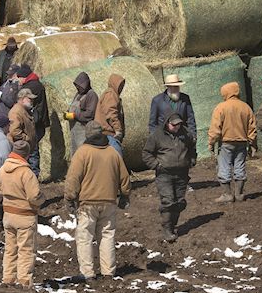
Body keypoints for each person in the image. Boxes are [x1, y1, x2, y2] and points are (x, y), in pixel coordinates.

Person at [65, 121, 131, 280]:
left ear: (87, 135)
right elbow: (124, 177)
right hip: (109, 201)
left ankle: (88, 274)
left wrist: (70, 198)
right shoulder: (112, 153)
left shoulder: (82, 153)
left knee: (85, 238)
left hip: (88, 204)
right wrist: (124, 195)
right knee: (107, 236)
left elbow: (73, 178)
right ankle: (108, 272)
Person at [143, 113, 196, 242]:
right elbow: (146, 153)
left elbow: (191, 147)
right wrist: (156, 165)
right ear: (167, 123)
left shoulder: (185, 133)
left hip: (182, 173)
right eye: (174, 125)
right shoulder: (157, 136)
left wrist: (192, 159)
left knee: (179, 202)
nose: (177, 127)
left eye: (179, 124)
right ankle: (167, 229)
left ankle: (172, 226)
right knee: (168, 201)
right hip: (164, 174)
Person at [0, 140, 44, 288]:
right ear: (27, 155)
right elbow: (34, 197)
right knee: (25, 250)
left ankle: (8, 279)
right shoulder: (26, 172)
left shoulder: (3, 169)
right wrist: (43, 199)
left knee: (10, 249)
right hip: (25, 216)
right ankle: (24, 281)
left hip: (8, 214)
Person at [208, 82, 257, 203]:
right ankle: (239, 194)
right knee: (240, 166)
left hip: (226, 143)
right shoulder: (246, 107)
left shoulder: (221, 107)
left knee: (224, 167)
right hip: (242, 143)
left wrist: (211, 142)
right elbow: (252, 128)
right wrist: (253, 144)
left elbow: (215, 128)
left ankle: (227, 194)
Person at [16, 64, 49, 177]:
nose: (18, 80)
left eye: (19, 77)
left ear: (23, 77)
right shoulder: (36, 83)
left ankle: (33, 175)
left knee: (32, 149)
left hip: (35, 122)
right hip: (39, 120)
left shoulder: (31, 87)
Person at [149, 74, 197, 142]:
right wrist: (155, 140)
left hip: (182, 139)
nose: (176, 88)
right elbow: (152, 123)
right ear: (168, 87)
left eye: (177, 86)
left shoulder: (185, 98)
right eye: (173, 86)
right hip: (164, 139)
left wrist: (193, 135)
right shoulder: (157, 100)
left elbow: (190, 119)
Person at [65, 72, 98, 155]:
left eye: (79, 86)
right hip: (74, 131)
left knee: (83, 154)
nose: (77, 88)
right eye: (76, 86)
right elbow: (73, 107)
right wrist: (67, 114)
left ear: (85, 84)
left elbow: (89, 115)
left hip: (84, 130)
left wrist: (75, 114)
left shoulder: (91, 95)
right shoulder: (78, 94)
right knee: (75, 154)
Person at [95, 74, 126, 156]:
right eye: (120, 85)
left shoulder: (111, 94)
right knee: (116, 160)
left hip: (108, 135)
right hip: (109, 135)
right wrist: (118, 129)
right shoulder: (110, 94)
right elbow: (111, 113)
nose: (121, 88)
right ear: (114, 84)